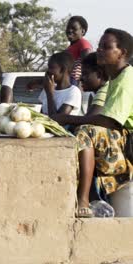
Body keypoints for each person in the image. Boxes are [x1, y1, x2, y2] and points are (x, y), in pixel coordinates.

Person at [52, 28, 133, 217]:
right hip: (123, 137)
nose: (100, 50)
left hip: (129, 140)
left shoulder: (126, 79)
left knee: (85, 131)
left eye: (107, 47)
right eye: (100, 46)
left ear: (123, 53)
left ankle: (84, 199)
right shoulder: (116, 77)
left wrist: (67, 118)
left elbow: (110, 121)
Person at [38, 52, 82, 117]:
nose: (48, 71)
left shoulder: (73, 92)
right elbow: (41, 116)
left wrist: (50, 93)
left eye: (51, 68)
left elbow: (58, 121)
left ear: (63, 69)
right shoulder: (48, 88)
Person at [66, 16, 93, 85]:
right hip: (68, 81)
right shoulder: (71, 47)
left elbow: (89, 67)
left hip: (75, 82)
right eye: (68, 28)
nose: (69, 30)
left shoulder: (83, 44)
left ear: (82, 31)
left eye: (74, 28)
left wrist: (81, 85)